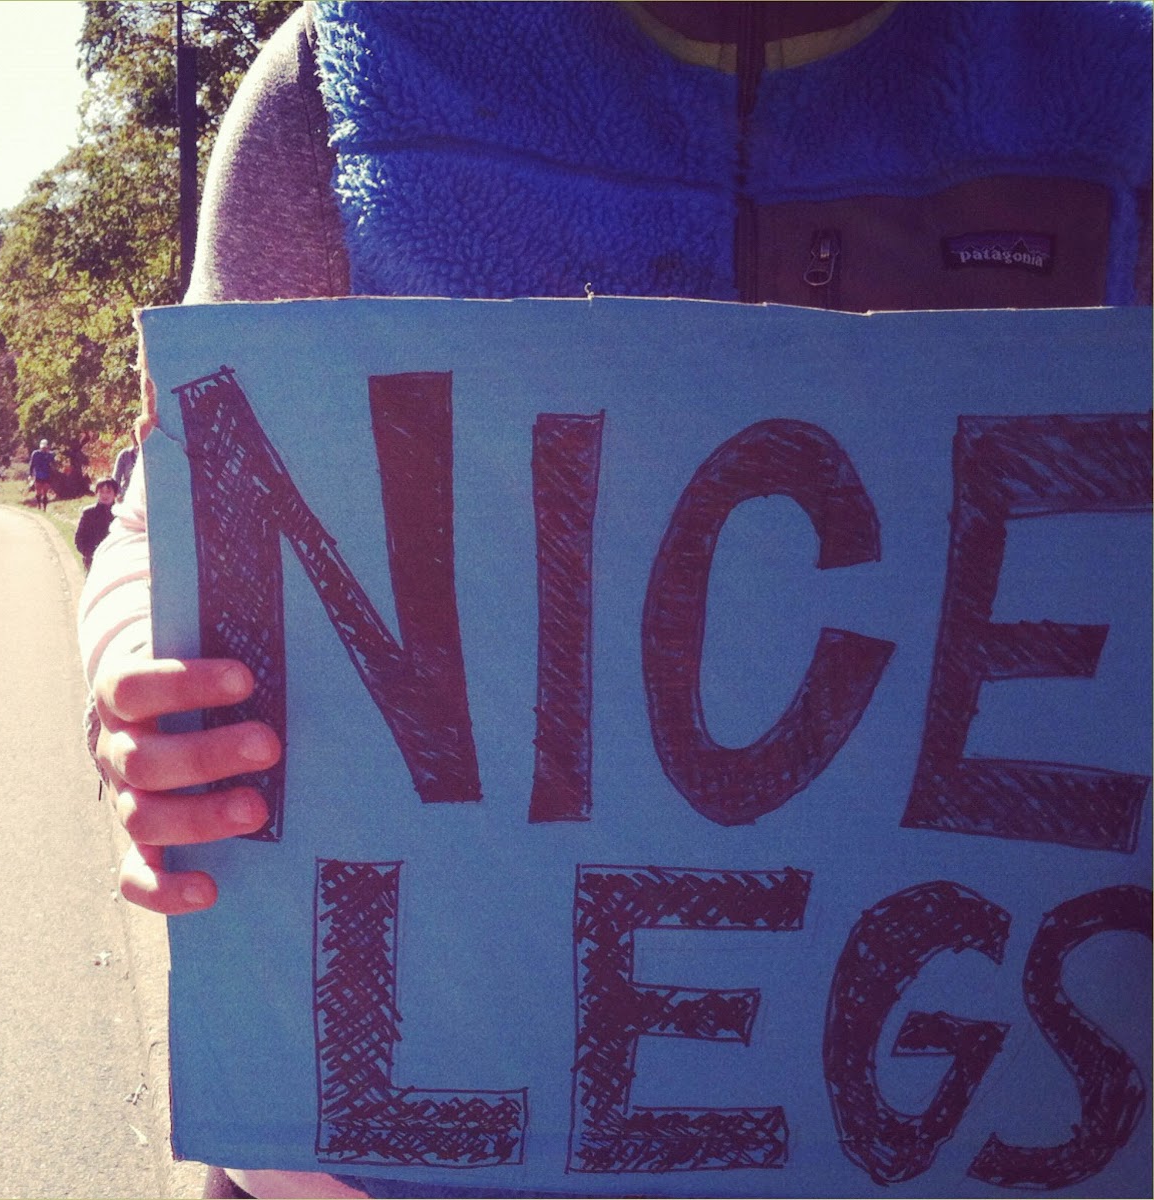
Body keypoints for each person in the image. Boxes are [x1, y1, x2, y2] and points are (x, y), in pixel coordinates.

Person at [79, 6, 1152, 1199]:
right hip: (355, 1177)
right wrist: (141, 682)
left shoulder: (1115, 94)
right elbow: (170, 508)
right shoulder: (348, 74)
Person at [73, 477, 120, 573]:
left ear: (115, 494)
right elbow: (79, 539)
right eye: (101, 492)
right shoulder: (88, 513)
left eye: (108, 492)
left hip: (115, 560)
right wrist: (89, 553)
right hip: (92, 560)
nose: (104, 495)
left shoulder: (120, 514)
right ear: (96, 493)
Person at [27, 438, 54, 509]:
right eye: (43, 448)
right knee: (38, 492)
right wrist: (30, 474)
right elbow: (32, 464)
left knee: (45, 493)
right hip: (38, 475)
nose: (44, 449)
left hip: (47, 475)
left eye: (45, 448)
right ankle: (39, 505)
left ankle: (44, 508)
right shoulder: (35, 454)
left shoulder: (50, 455)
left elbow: (53, 464)